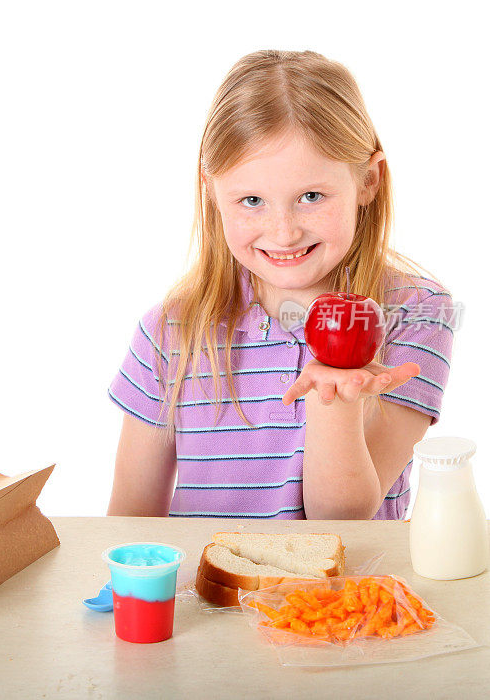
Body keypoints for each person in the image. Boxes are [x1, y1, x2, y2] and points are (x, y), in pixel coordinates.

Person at [106, 49, 456, 521]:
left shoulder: (414, 315)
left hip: (341, 596)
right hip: (206, 595)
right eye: (252, 200)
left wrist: (334, 399)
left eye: (311, 196)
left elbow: (344, 518)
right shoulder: (171, 332)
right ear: (212, 191)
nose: (283, 231)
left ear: (369, 181)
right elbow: (130, 526)